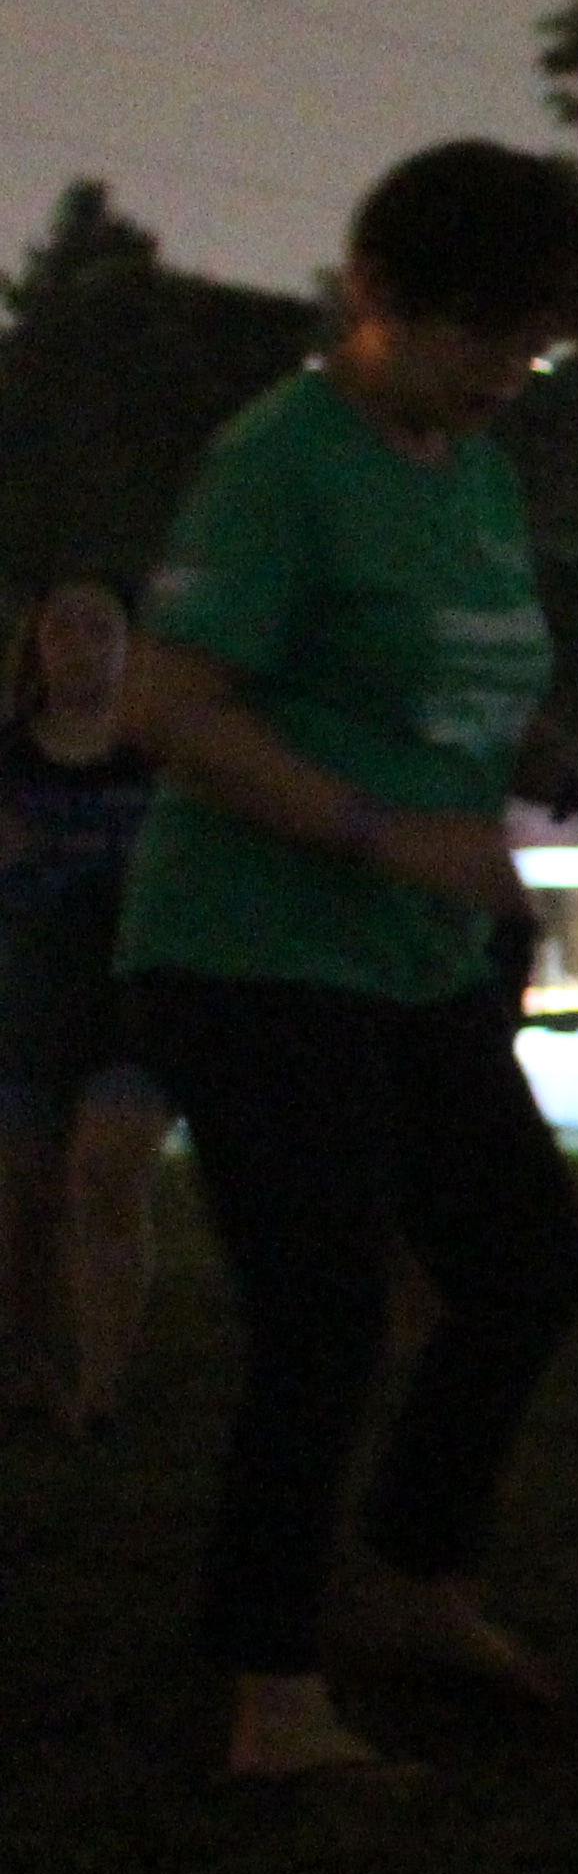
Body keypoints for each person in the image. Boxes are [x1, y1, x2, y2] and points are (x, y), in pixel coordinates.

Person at [112, 142, 578, 1777]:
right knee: (323, 1303)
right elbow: (168, 707)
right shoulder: (276, 460)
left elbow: (439, 666)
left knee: (526, 1265)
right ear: (373, 296)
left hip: (413, 955)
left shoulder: (471, 465)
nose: (504, 378)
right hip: (252, 950)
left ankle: (407, 1580)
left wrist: (540, 764)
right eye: (483, 341)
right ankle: (268, 1681)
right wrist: (389, 832)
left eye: (528, 347)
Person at [3, 576, 172, 1437]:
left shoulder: (163, 755)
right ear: (33, 647)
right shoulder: (9, 760)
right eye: (60, 624)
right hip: (27, 1009)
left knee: (105, 1174)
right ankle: (29, 1369)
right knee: (21, 1198)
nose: (79, 641)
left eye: (99, 624)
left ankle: (101, 1389)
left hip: (135, 1009)